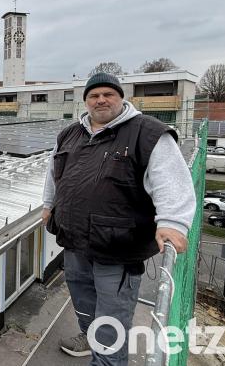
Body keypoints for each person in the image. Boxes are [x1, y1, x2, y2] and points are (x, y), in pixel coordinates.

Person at [41, 72, 195, 366]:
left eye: (108, 94)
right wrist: (48, 204)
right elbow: (54, 173)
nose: (101, 100)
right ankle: (89, 337)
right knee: (85, 307)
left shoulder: (147, 133)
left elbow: (170, 181)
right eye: (93, 95)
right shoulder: (70, 134)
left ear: (121, 97)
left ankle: (106, 360)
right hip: (74, 244)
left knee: (111, 322)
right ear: (85, 101)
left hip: (118, 251)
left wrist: (173, 223)